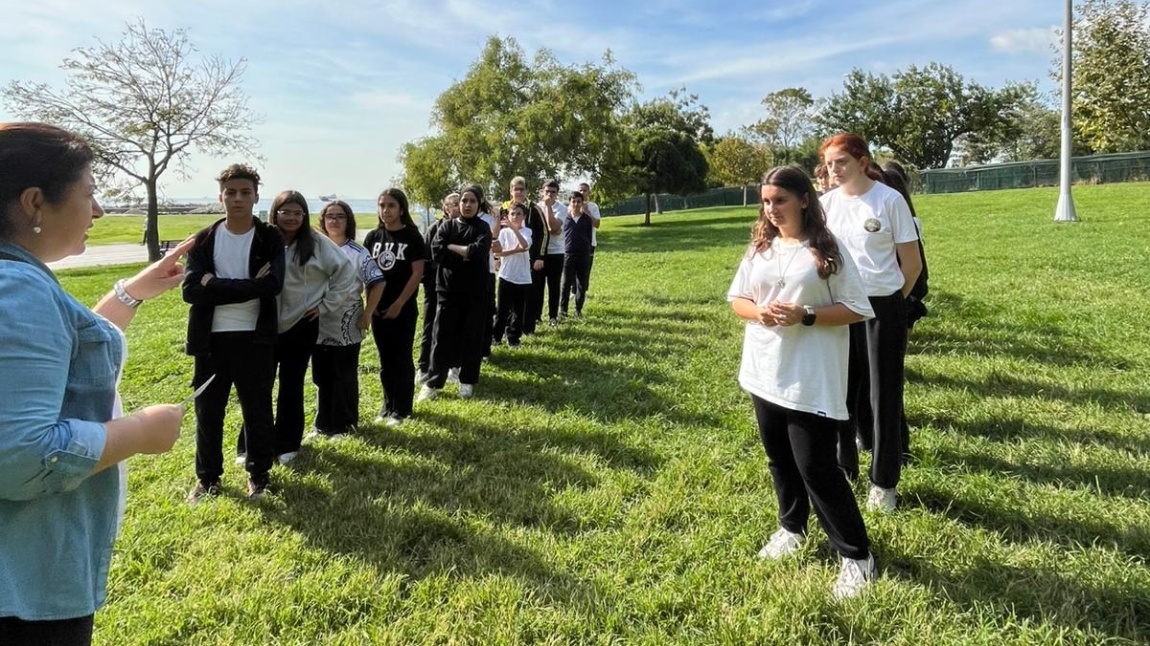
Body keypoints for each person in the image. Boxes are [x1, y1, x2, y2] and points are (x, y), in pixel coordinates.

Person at [0, 122, 188, 643]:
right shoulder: (17, 288)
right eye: (89, 193)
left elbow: (54, 354)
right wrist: (141, 431)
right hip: (23, 597)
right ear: (36, 203)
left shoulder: (15, 281)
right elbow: (20, 457)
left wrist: (131, 293)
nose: (99, 210)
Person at [728, 165, 878, 600]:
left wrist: (806, 315)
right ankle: (791, 528)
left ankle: (856, 556)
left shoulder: (827, 251)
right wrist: (758, 313)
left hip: (808, 377)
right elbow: (738, 299)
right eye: (767, 201)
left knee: (817, 467)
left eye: (780, 200)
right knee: (779, 459)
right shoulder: (762, 247)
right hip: (763, 370)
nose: (771, 209)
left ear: (804, 200)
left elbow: (856, 308)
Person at [820, 134, 923, 514]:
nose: (834, 170)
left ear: (863, 161)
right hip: (840, 308)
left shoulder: (889, 200)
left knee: (884, 394)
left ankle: (884, 481)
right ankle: (844, 466)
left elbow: (911, 264)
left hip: (882, 308)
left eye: (842, 161)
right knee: (842, 393)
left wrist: (892, 299)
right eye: (830, 163)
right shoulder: (824, 205)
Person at [183, 163, 285, 503]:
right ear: (220, 197)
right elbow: (191, 291)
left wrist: (216, 284)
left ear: (256, 197)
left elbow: (272, 285)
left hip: (255, 338)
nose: (237, 198)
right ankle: (207, 479)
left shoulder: (269, 237)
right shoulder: (205, 238)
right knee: (208, 412)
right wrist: (250, 285)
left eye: (245, 192)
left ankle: (259, 476)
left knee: (257, 410)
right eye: (231, 192)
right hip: (210, 339)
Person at [260, 192, 358, 460]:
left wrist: (326, 305)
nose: (291, 218)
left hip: (301, 325)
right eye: (285, 212)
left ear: (304, 216)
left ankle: (288, 444)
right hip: (264, 324)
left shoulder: (315, 242)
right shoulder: (264, 238)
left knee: (291, 386)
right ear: (274, 213)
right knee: (258, 386)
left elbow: (345, 272)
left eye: (297, 213)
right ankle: (253, 444)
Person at [421, 184, 492, 401]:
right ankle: (433, 383)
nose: (467, 205)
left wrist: (453, 248)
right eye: (464, 201)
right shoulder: (447, 226)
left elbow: (478, 252)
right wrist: (464, 252)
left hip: (474, 291)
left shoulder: (482, 228)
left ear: (479, 204)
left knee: (471, 336)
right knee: (441, 336)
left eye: (472, 201)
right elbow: (437, 252)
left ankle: (467, 380)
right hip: (447, 290)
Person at [364, 188, 425, 426]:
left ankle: (402, 409)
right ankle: (387, 405)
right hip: (378, 308)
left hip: (402, 309)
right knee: (385, 359)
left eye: (390, 205)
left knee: (401, 358)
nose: (385, 210)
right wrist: (370, 305)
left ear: (401, 208)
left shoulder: (411, 236)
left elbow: (417, 273)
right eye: (381, 205)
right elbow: (367, 273)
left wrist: (399, 303)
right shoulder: (373, 237)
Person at [417, 193, 458, 383]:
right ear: (446, 208)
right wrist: (428, 281)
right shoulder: (434, 228)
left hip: (456, 285)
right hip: (434, 285)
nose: (458, 207)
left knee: (453, 327)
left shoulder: (465, 229)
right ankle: (424, 366)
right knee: (430, 324)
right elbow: (426, 258)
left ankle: (453, 366)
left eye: (460, 203)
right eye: (454, 204)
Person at [501, 177, 546, 334]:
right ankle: (508, 329)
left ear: (526, 191)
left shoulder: (534, 209)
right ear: (510, 191)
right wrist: (497, 258)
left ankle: (528, 327)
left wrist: (540, 257)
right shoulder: (504, 209)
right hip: (508, 260)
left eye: (521, 189)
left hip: (531, 258)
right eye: (515, 188)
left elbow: (543, 233)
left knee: (530, 294)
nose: (518, 192)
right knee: (507, 298)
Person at [492, 202, 533, 347]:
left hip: (522, 277)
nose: (515, 217)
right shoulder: (503, 233)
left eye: (519, 214)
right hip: (506, 275)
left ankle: (513, 338)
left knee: (518, 310)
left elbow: (525, 245)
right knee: (502, 309)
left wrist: (514, 230)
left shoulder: (527, 231)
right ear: (508, 215)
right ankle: (496, 337)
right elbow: (497, 252)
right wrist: (515, 250)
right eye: (512, 214)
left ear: (524, 216)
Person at [560, 190, 594, 318]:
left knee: (581, 283)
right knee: (566, 283)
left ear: (582, 202)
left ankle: (578, 309)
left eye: (578, 201)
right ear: (569, 202)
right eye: (573, 201)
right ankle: (563, 311)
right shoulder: (565, 218)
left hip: (583, 254)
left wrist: (588, 251)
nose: (576, 204)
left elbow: (589, 237)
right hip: (568, 254)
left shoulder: (586, 219)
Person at [537, 179, 566, 326]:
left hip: (556, 252)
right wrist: (549, 230)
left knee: (554, 286)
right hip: (540, 252)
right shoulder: (536, 207)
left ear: (557, 194)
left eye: (553, 192)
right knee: (537, 286)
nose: (549, 194)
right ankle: (536, 316)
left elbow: (553, 228)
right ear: (542, 191)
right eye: (547, 191)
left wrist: (548, 207)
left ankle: (553, 316)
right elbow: (537, 231)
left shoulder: (561, 208)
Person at [577, 181, 602, 291]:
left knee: (586, 268)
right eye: (580, 190)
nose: (582, 192)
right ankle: (574, 291)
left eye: (584, 190)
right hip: (574, 243)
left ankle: (584, 290)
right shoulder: (572, 205)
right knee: (573, 269)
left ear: (589, 192)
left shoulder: (593, 206)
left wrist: (586, 212)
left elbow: (597, 225)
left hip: (589, 243)